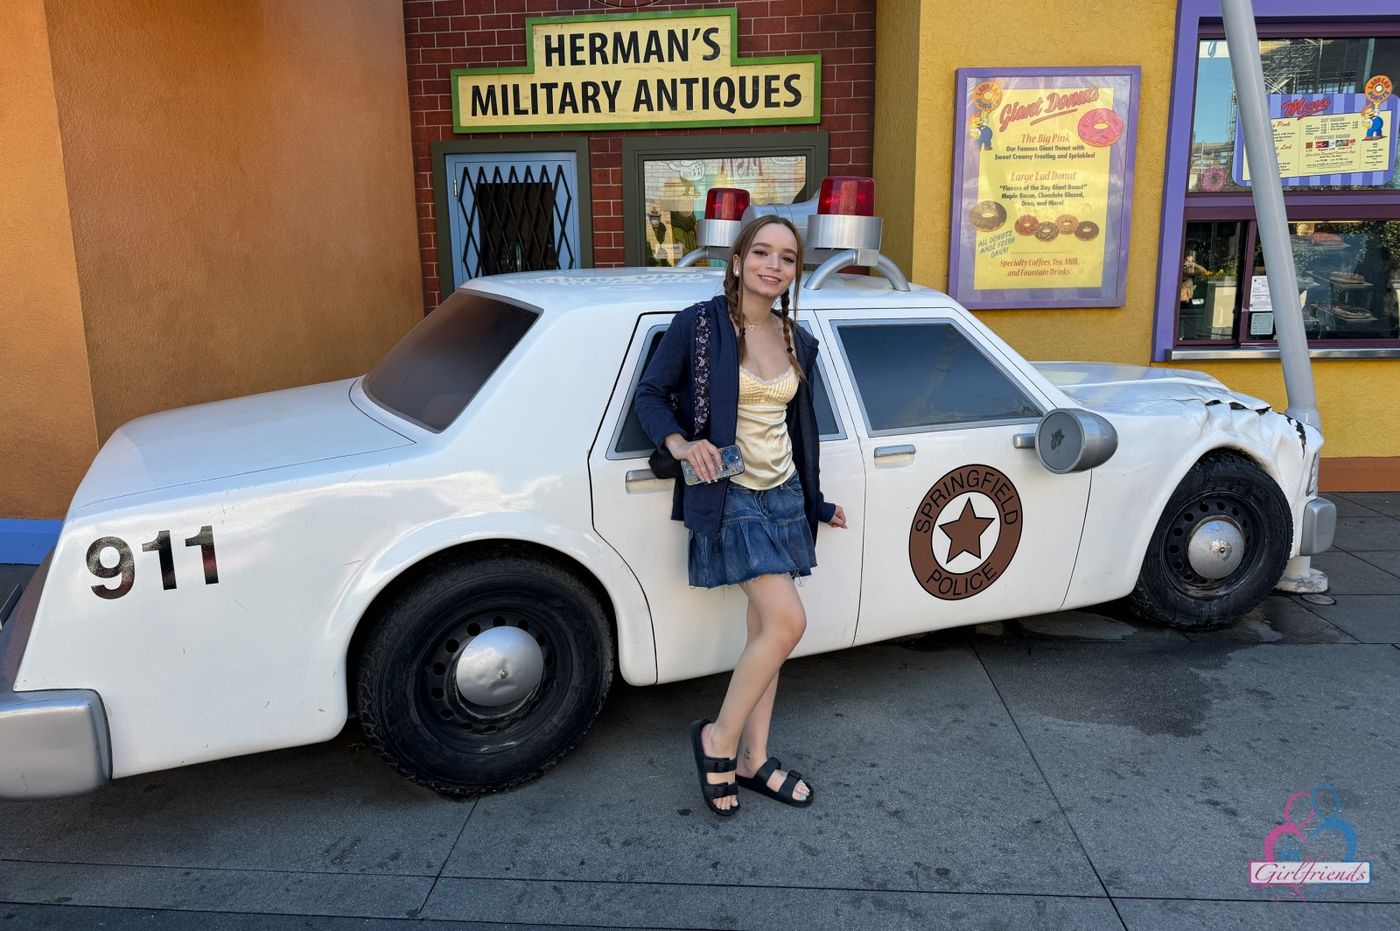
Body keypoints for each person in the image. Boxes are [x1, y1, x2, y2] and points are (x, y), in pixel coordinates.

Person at [634, 215, 847, 817]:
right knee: (787, 623)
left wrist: (815, 503)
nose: (773, 265)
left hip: (783, 495)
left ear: (794, 272)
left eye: (787, 257)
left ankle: (754, 757)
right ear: (737, 261)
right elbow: (650, 394)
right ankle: (718, 740)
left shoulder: (796, 338)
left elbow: (798, 433)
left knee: (764, 633)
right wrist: (679, 443)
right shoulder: (701, 326)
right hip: (730, 494)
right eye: (761, 252)